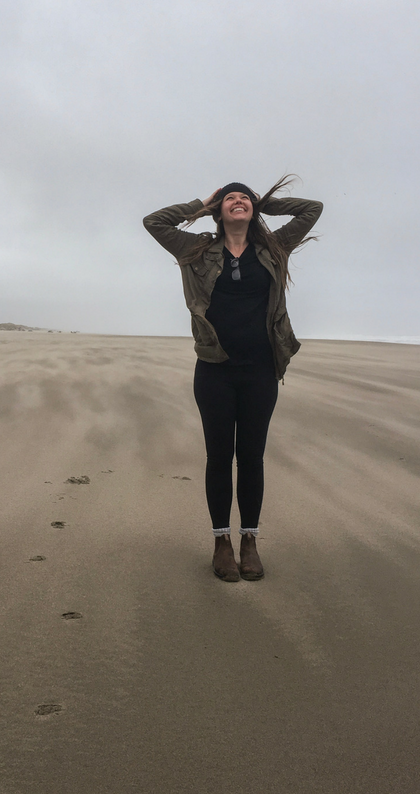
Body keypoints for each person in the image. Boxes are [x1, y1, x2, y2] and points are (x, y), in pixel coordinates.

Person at [143, 176, 323, 582]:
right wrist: (201, 204)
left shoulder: (274, 248)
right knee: (219, 457)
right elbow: (154, 222)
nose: (237, 201)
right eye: (230, 198)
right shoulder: (196, 249)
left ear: (252, 208)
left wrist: (264, 204)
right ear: (219, 210)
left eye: (244, 198)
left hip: (260, 370)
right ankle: (221, 541)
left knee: (253, 458)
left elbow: (312, 209)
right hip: (214, 369)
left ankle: (250, 541)